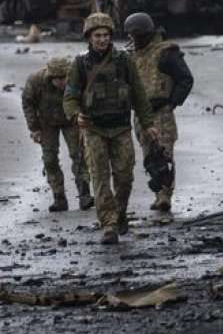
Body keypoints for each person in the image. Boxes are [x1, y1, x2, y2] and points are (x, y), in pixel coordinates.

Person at [63, 12, 158, 245]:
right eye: (97, 35)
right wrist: (76, 115)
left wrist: (148, 124)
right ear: (89, 37)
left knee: (125, 177)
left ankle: (120, 211)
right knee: (100, 179)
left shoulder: (124, 61)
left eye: (106, 35)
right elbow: (70, 97)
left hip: (121, 128)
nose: (102, 40)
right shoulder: (80, 63)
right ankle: (108, 224)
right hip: (94, 130)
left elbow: (138, 94)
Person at [124, 12, 194, 212]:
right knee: (149, 158)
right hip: (141, 114)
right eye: (130, 36)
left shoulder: (165, 53)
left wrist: (172, 102)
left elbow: (185, 79)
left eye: (136, 36)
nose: (133, 40)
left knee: (163, 155)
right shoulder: (131, 55)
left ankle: (165, 196)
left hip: (161, 113)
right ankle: (159, 195)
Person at [22, 56, 93, 212]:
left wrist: (84, 120)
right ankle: (59, 197)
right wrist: (34, 128)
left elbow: (87, 98)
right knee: (49, 159)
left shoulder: (77, 78)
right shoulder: (36, 81)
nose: (62, 82)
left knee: (79, 155)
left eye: (64, 78)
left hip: (72, 120)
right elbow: (28, 103)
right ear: (51, 77)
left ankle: (84, 194)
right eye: (58, 79)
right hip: (46, 123)